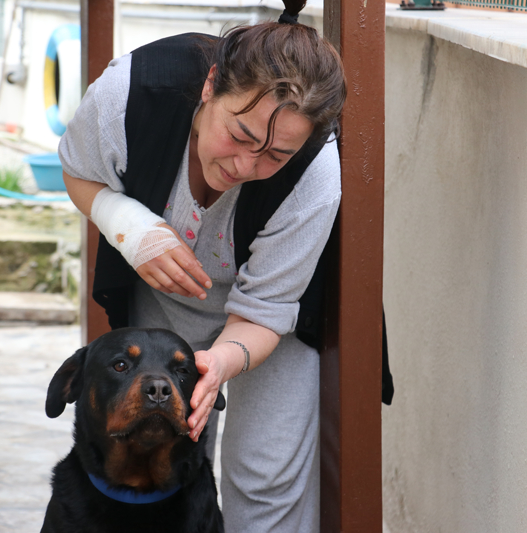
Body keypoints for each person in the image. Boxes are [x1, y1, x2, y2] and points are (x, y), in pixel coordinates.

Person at [58, 0, 346, 529]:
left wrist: (222, 362)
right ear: (211, 85)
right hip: (166, 296)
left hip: (272, 319)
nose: (245, 165)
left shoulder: (316, 173)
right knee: (161, 447)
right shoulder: (130, 93)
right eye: (239, 135)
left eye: (275, 156)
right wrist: (130, 227)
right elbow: (78, 169)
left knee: (265, 472)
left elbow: (265, 311)